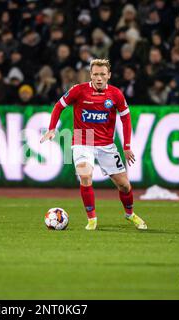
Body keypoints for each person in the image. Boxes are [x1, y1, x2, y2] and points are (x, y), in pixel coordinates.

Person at [40, 59, 147, 231]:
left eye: (102, 74)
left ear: (109, 75)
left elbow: (126, 118)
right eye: (95, 74)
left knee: (124, 185)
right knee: (85, 175)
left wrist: (127, 146)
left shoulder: (116, 94)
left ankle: (130, 214)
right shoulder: (78, 90)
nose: (99, 78)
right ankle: (92, 219)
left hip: (106, 143)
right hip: (83, 139)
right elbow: (59, 106)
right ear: (91, 75)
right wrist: (52, 128)